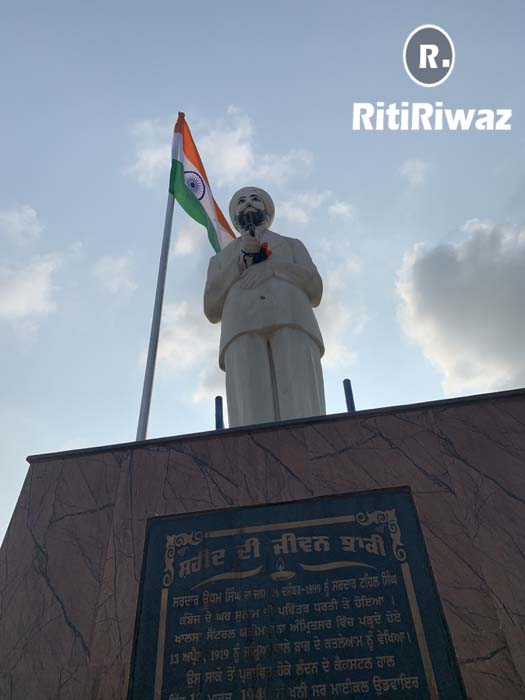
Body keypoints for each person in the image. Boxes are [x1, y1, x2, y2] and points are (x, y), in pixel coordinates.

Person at [204, 186, 326, 427]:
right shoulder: (220, 259)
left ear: (268, 211)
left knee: (300, 399)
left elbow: (315, 287)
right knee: (250, 403)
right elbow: (211, 306)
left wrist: (273, 268)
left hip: (292, 318)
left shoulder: (292, 245)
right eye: (241, 201)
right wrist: (239, 263)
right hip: (241, 326)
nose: (247, 204)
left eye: (255, 199)